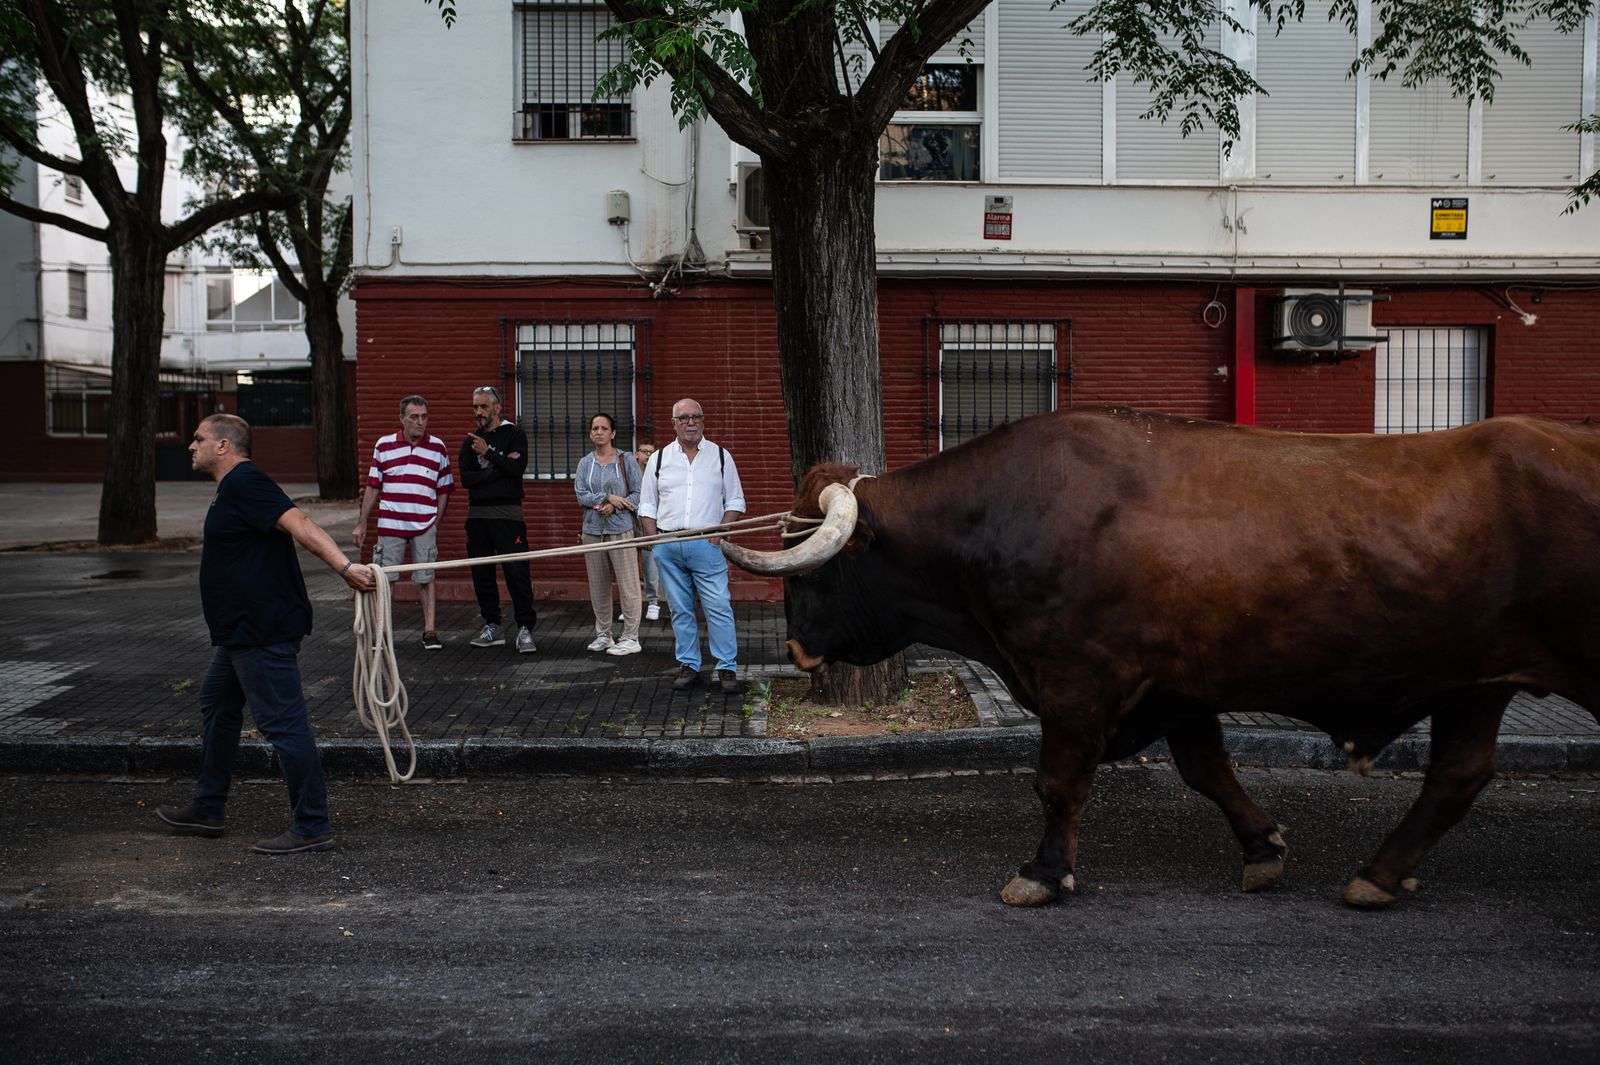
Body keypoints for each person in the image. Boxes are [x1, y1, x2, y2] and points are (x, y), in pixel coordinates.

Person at [156, 413, 375, 855]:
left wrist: (346, 568)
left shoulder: (245, 481)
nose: (190, 446)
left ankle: (312, 825)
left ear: (223, 446)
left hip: (260, 631)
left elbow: (301, 524)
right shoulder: (231, 489)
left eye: (198, 439)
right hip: (239, 633)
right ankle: (208, 808)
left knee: (283, 724)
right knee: (217, 705)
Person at [638, 398, 746, 694]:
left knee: (719, 607)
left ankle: (726, 668)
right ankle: (689, 665)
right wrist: (654, 539)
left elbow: (735, 501)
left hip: (707, 544)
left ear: (703, 420)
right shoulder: (659, 459)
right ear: (673, 423)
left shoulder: (721, 457)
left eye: (695, 416)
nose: (690, 422)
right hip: (668, 545)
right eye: (683, 418)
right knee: (680, 610)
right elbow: (647, 504)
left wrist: (721, 532)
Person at [354, 394, 453, 650]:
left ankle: (430, 631)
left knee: (425, 578)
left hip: (424, 525)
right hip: (391, 524)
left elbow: (444, 490)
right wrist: (361, 523)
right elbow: (373, 487)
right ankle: (382, 634)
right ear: (401, 419)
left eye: (424, 417)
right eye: (414, 417)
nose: (420, 422)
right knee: (386, 579)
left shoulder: (438, 447)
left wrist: (435, 522)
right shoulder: (384, 446)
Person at [459, 386, 537, 653]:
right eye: (474, 407)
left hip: (508, 517)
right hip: (477, 517)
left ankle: (525, 629)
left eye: (483, 407)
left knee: (517, 572)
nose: (478, 412)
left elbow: (517, 469)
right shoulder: (470, 440)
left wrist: (490, 455)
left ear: (496, 408)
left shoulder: (513, 434)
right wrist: (499, 469)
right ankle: (493, 625)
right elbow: (466, 479)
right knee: (482, 573)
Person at [574, 413, 644, 656]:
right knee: (598, 586)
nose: (599, 432)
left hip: (621, 530)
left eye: (604, 428)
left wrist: (616, 504)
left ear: (613, 433)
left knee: (628, 585)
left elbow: (638, 493)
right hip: (592, 531)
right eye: (595, 428)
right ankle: (603, 634)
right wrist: (603, 499)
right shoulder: (585, 463)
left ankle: (631, 636)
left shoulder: (626, 460)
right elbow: (580, 494)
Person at [633, 441, 664, 622]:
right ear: (637, 454)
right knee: (630, 566)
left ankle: (653, 602)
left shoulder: (658, 473)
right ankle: (633, 606)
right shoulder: (630, 473)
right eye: (644, 451)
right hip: (630, 522)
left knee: (649, 563)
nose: (647, 455)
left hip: (649, 523)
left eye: (651, 452)